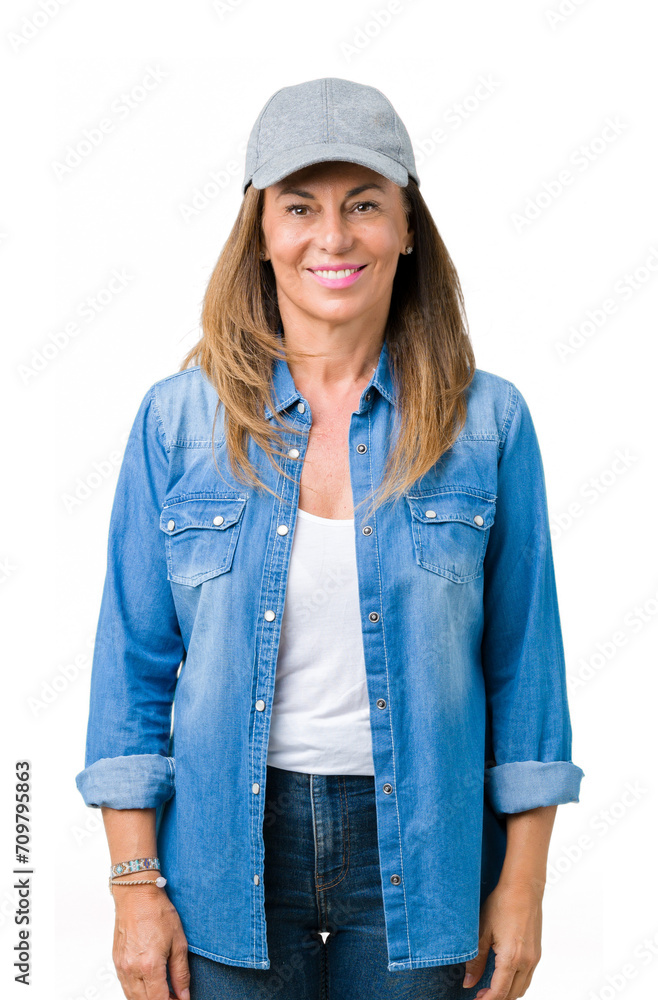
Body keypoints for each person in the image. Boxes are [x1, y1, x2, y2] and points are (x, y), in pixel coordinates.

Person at [75, 77, 585, 1000]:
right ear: (260, 230)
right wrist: (133, 886)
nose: (333, 236)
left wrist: (523, 884)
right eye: (299, 206)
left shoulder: (488, 424)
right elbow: (134, 669)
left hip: (425, 859)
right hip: (225, 857)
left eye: (364, 205)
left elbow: (526, 672)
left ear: (407, 226)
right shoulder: (179, 423)